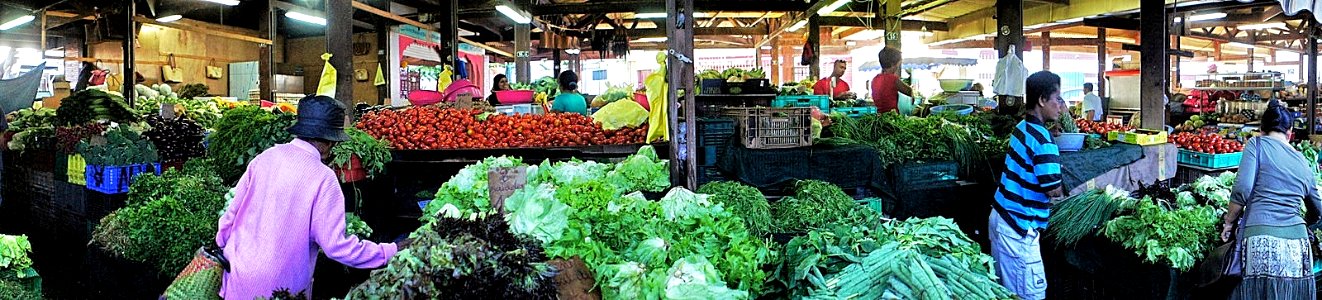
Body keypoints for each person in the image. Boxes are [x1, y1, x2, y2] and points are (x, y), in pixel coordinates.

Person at [215, 95, 400, 299]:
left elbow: (229, 216)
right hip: (280, 286)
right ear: (327, 141)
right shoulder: (324, 178)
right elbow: (336, 247)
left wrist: (223, 247)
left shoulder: (264, 158)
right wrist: (388, 251)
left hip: (237, 272)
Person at [1220, 100, 1320, 300]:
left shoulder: (1256, 145)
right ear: (1289, 131)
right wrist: (1303, 223)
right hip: (1298, 246)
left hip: (1260, 240)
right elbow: (1317, 209)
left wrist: (1229, 223)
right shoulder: (1302, 160)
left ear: (1261, 129)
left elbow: (1242, 190)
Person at [989, 71, 1065, 300]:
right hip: (1018, 229)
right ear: (1042, 100)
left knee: (1008, 292)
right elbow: (1053, 189)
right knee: (1029, 295)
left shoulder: (1022, 127)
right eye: (1058, 99)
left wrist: (1047, 134)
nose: (1061, 106)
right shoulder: (1043, 142)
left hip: (1002, 218)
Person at [870, 47, 914, 113]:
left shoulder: (875, 79)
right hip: (892, 117)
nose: (897, 68)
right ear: (893, 64)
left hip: (879, 116)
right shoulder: (893, 79)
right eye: (898, 64)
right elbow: (909, 91)